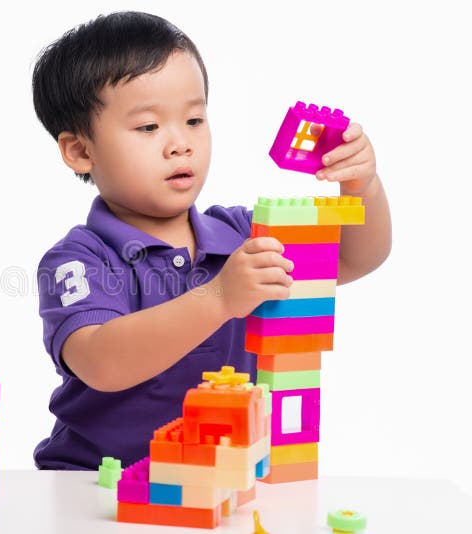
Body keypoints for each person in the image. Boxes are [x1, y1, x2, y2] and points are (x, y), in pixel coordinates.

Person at [30, 11, 391, 470]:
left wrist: (363, 186)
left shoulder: (244, 234)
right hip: (97, 482)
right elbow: (101, 361)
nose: (180, 144)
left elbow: (353, 259)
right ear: (81, 151)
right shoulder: (79, 260)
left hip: (223, 477)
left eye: (195, 120)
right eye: (148, 127)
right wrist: (221, 296)